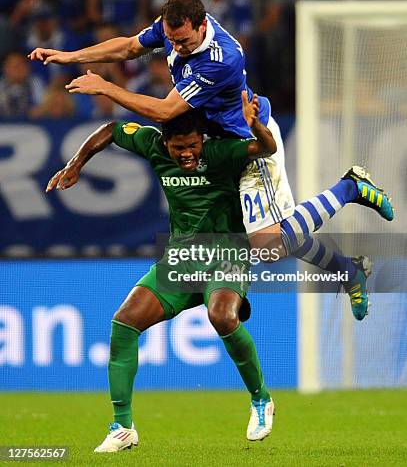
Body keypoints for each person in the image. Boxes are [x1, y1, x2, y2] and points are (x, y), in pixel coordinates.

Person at [28, 0, 394, 309]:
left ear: (201, 26)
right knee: (273, 237)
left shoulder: (221, 59)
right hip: (216, 145)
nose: (177, 48)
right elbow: (128, 46)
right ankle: (347, 270)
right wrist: (69, 56)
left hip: (248, 144)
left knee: (268, 245)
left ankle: (351, 187)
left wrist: (107, 88)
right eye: (171, 41)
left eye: (184, 42)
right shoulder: (176, 25)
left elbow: (166, 111)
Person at [47, 92, 278, 449]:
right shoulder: (150, 144)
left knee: (221, 316)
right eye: (178, 147)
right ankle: (122, 427)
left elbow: (267, 149)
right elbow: (111, 129)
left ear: (202, 138)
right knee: (124, 322)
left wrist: (256, 126)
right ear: (163, 141)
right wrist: (77, 164)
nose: (187, 153)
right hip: (179, 260)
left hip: (226, 253)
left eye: (192, 145)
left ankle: (261, 400)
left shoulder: (219, 152)